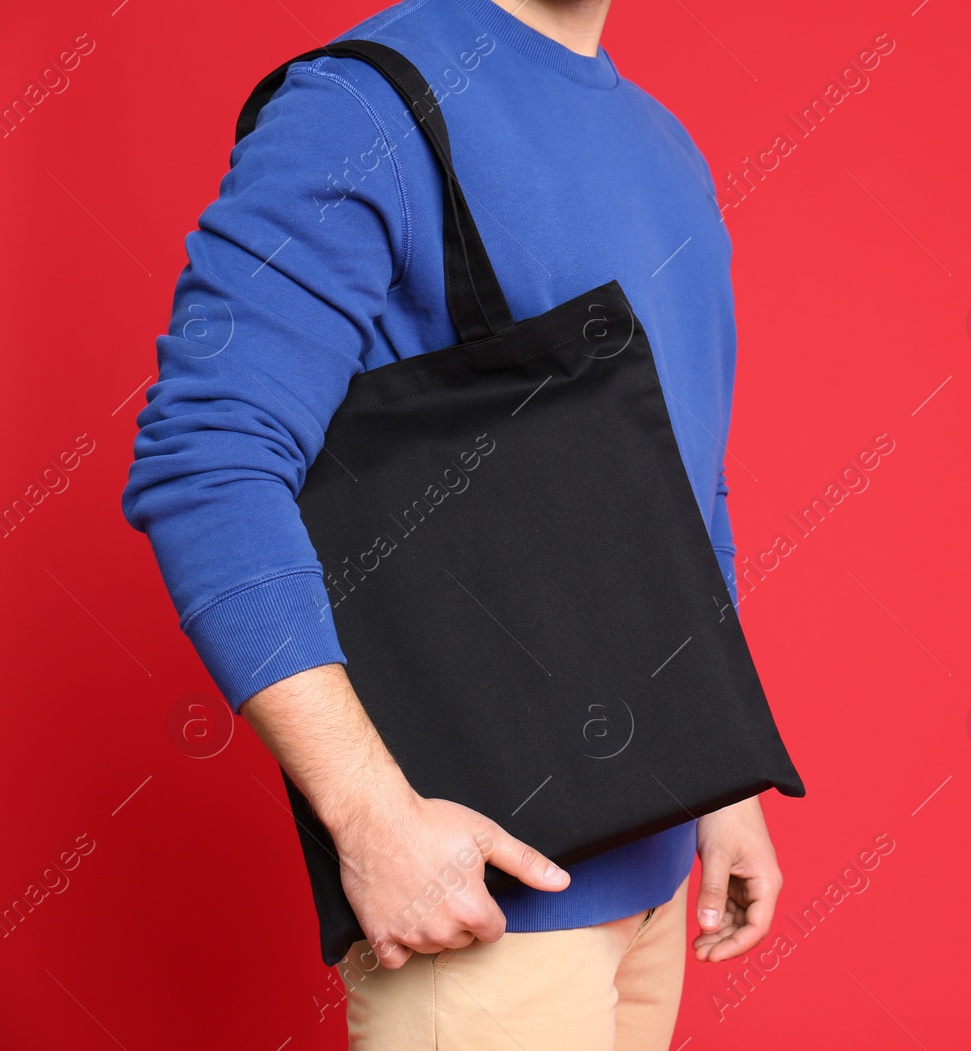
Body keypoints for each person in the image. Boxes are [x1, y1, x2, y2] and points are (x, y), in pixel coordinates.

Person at [120, 0, 783, 1046]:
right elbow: (208, 457)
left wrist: (723, 779)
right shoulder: (361, 102)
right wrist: (371, 815)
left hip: (655, 887)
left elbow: (683, 483)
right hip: (483, 911)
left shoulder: (664, 144)